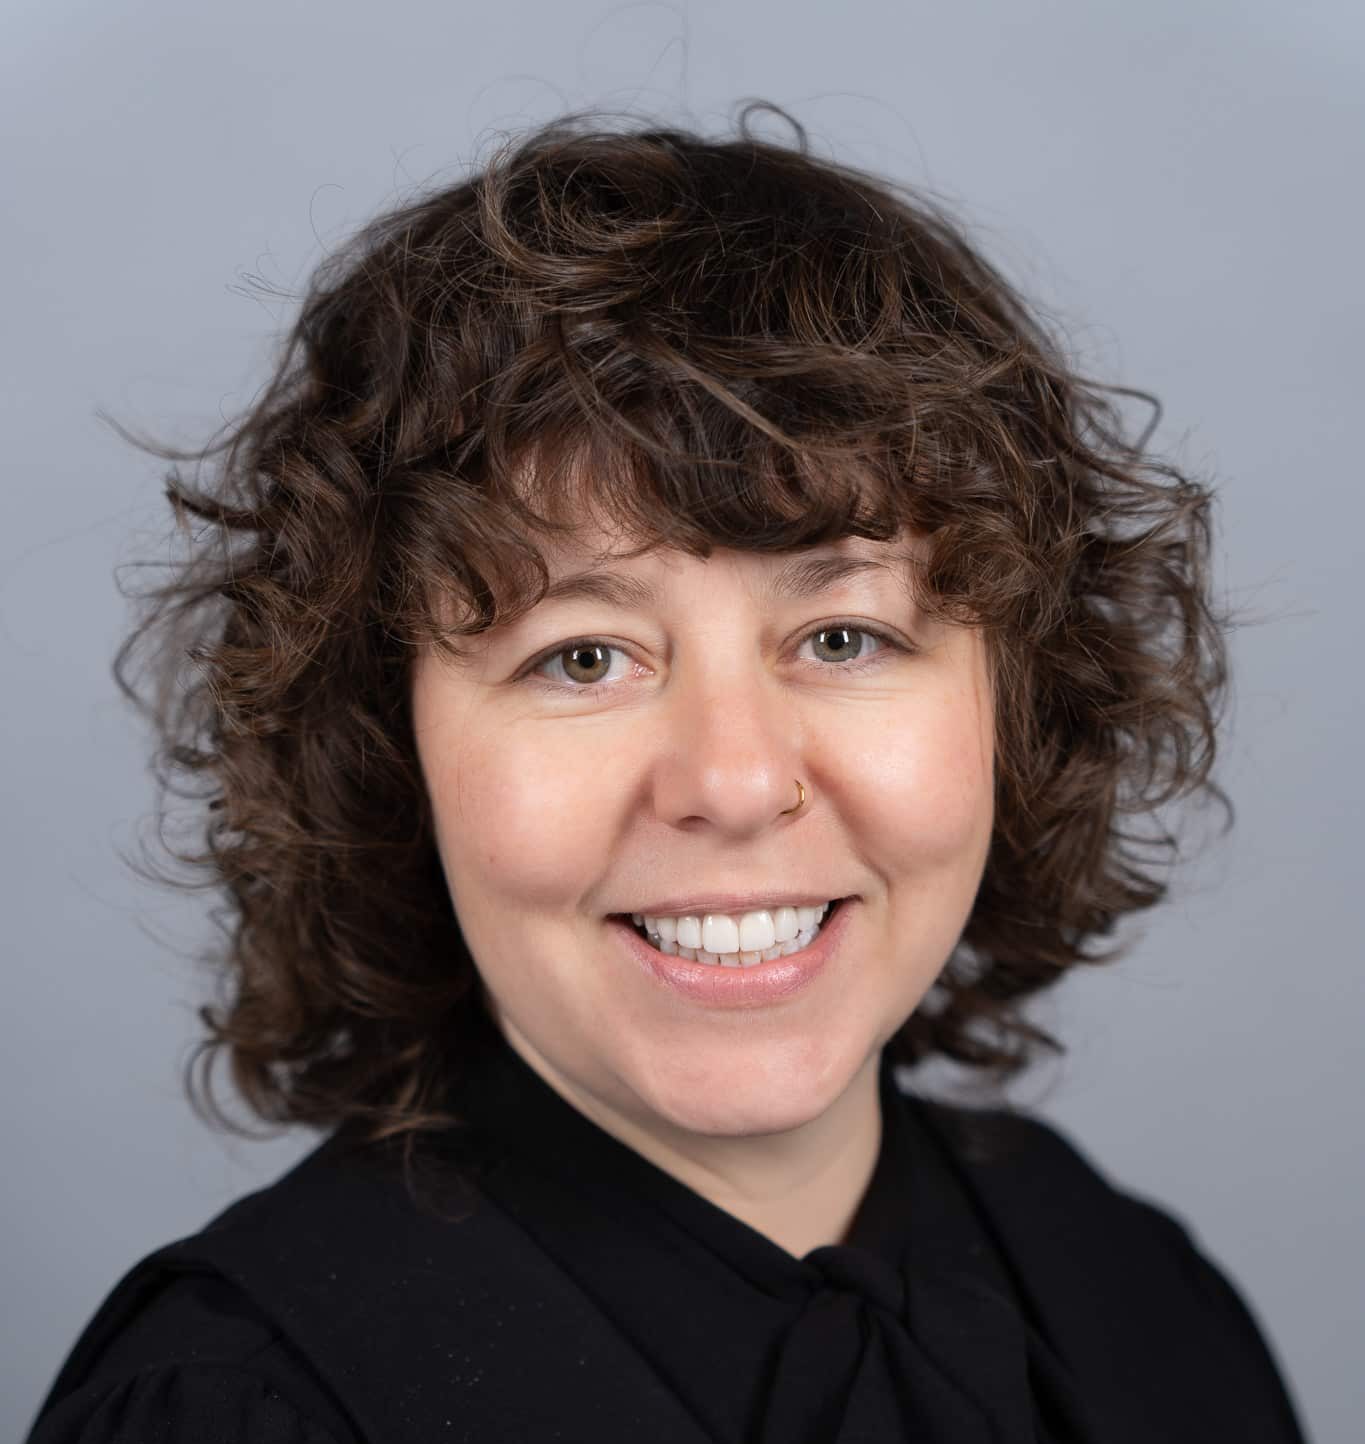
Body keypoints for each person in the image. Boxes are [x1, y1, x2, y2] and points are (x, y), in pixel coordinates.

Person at [25, 103, 1309, 1443]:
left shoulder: (1133, 1298)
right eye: (583, 658)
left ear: (1017, 704)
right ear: (384, 752)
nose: (736, 780)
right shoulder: (235, 1409)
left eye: (840, 635)